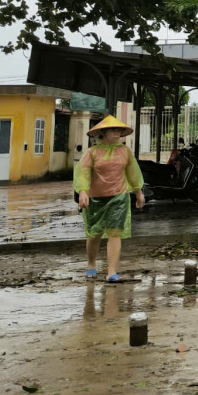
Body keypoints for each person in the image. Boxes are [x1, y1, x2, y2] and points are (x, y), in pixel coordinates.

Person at [73, 115, 145, 282]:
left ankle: (112, 271)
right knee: (94, 234)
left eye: (119, 130)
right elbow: (83, 173)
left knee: (115, 233)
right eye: (113, 129)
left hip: (119, 197)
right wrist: (83, 191)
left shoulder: (125, 151)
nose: (117, 133)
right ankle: (91, 265)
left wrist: (138, 192)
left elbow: (133, 173)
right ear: (103, 133)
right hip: (96, 199)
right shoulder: (92, 153)